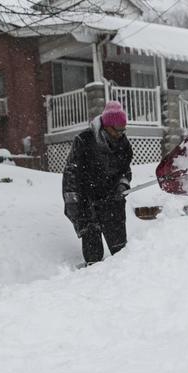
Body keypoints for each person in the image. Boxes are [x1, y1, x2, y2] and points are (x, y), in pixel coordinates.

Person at [63, 101, 133, 265]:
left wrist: (122, 185)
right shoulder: (84, 140)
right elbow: (71, 173)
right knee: (93, 253)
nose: (121, 133)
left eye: (123, 129)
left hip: (112, 201)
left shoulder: (123, 144)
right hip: (87, 202)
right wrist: (73, 203)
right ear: (107, 126)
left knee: (121, 252)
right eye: (118, 129)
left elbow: (125, 170)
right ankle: (93, 275)